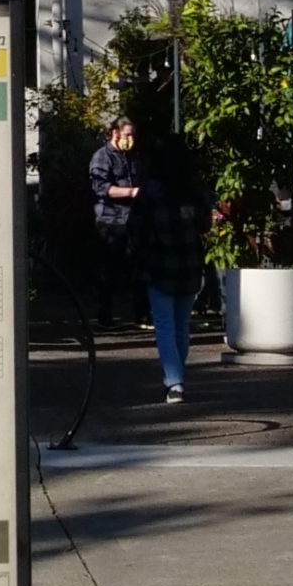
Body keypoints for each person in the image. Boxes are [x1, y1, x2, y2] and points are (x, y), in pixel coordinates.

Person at [133, 134, 207, 403]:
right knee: (181, 325)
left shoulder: (150, 190)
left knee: (164, 324)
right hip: (189, 261)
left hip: (158, 262)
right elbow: (205, 224)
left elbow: (136, 226)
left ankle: (174, 381)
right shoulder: (193, 188)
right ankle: (176, 378)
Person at [89, 116, 144, 327]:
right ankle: (105, 317)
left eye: (133, 135)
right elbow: (102, 189)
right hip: (110, 220)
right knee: (108, 271)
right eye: (127, 134)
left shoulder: (132, 157)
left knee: (137, 269)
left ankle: (141, 315)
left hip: (132, 220)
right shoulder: (102, 157)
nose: (131, 139)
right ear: (115, 133)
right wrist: (132, 192)